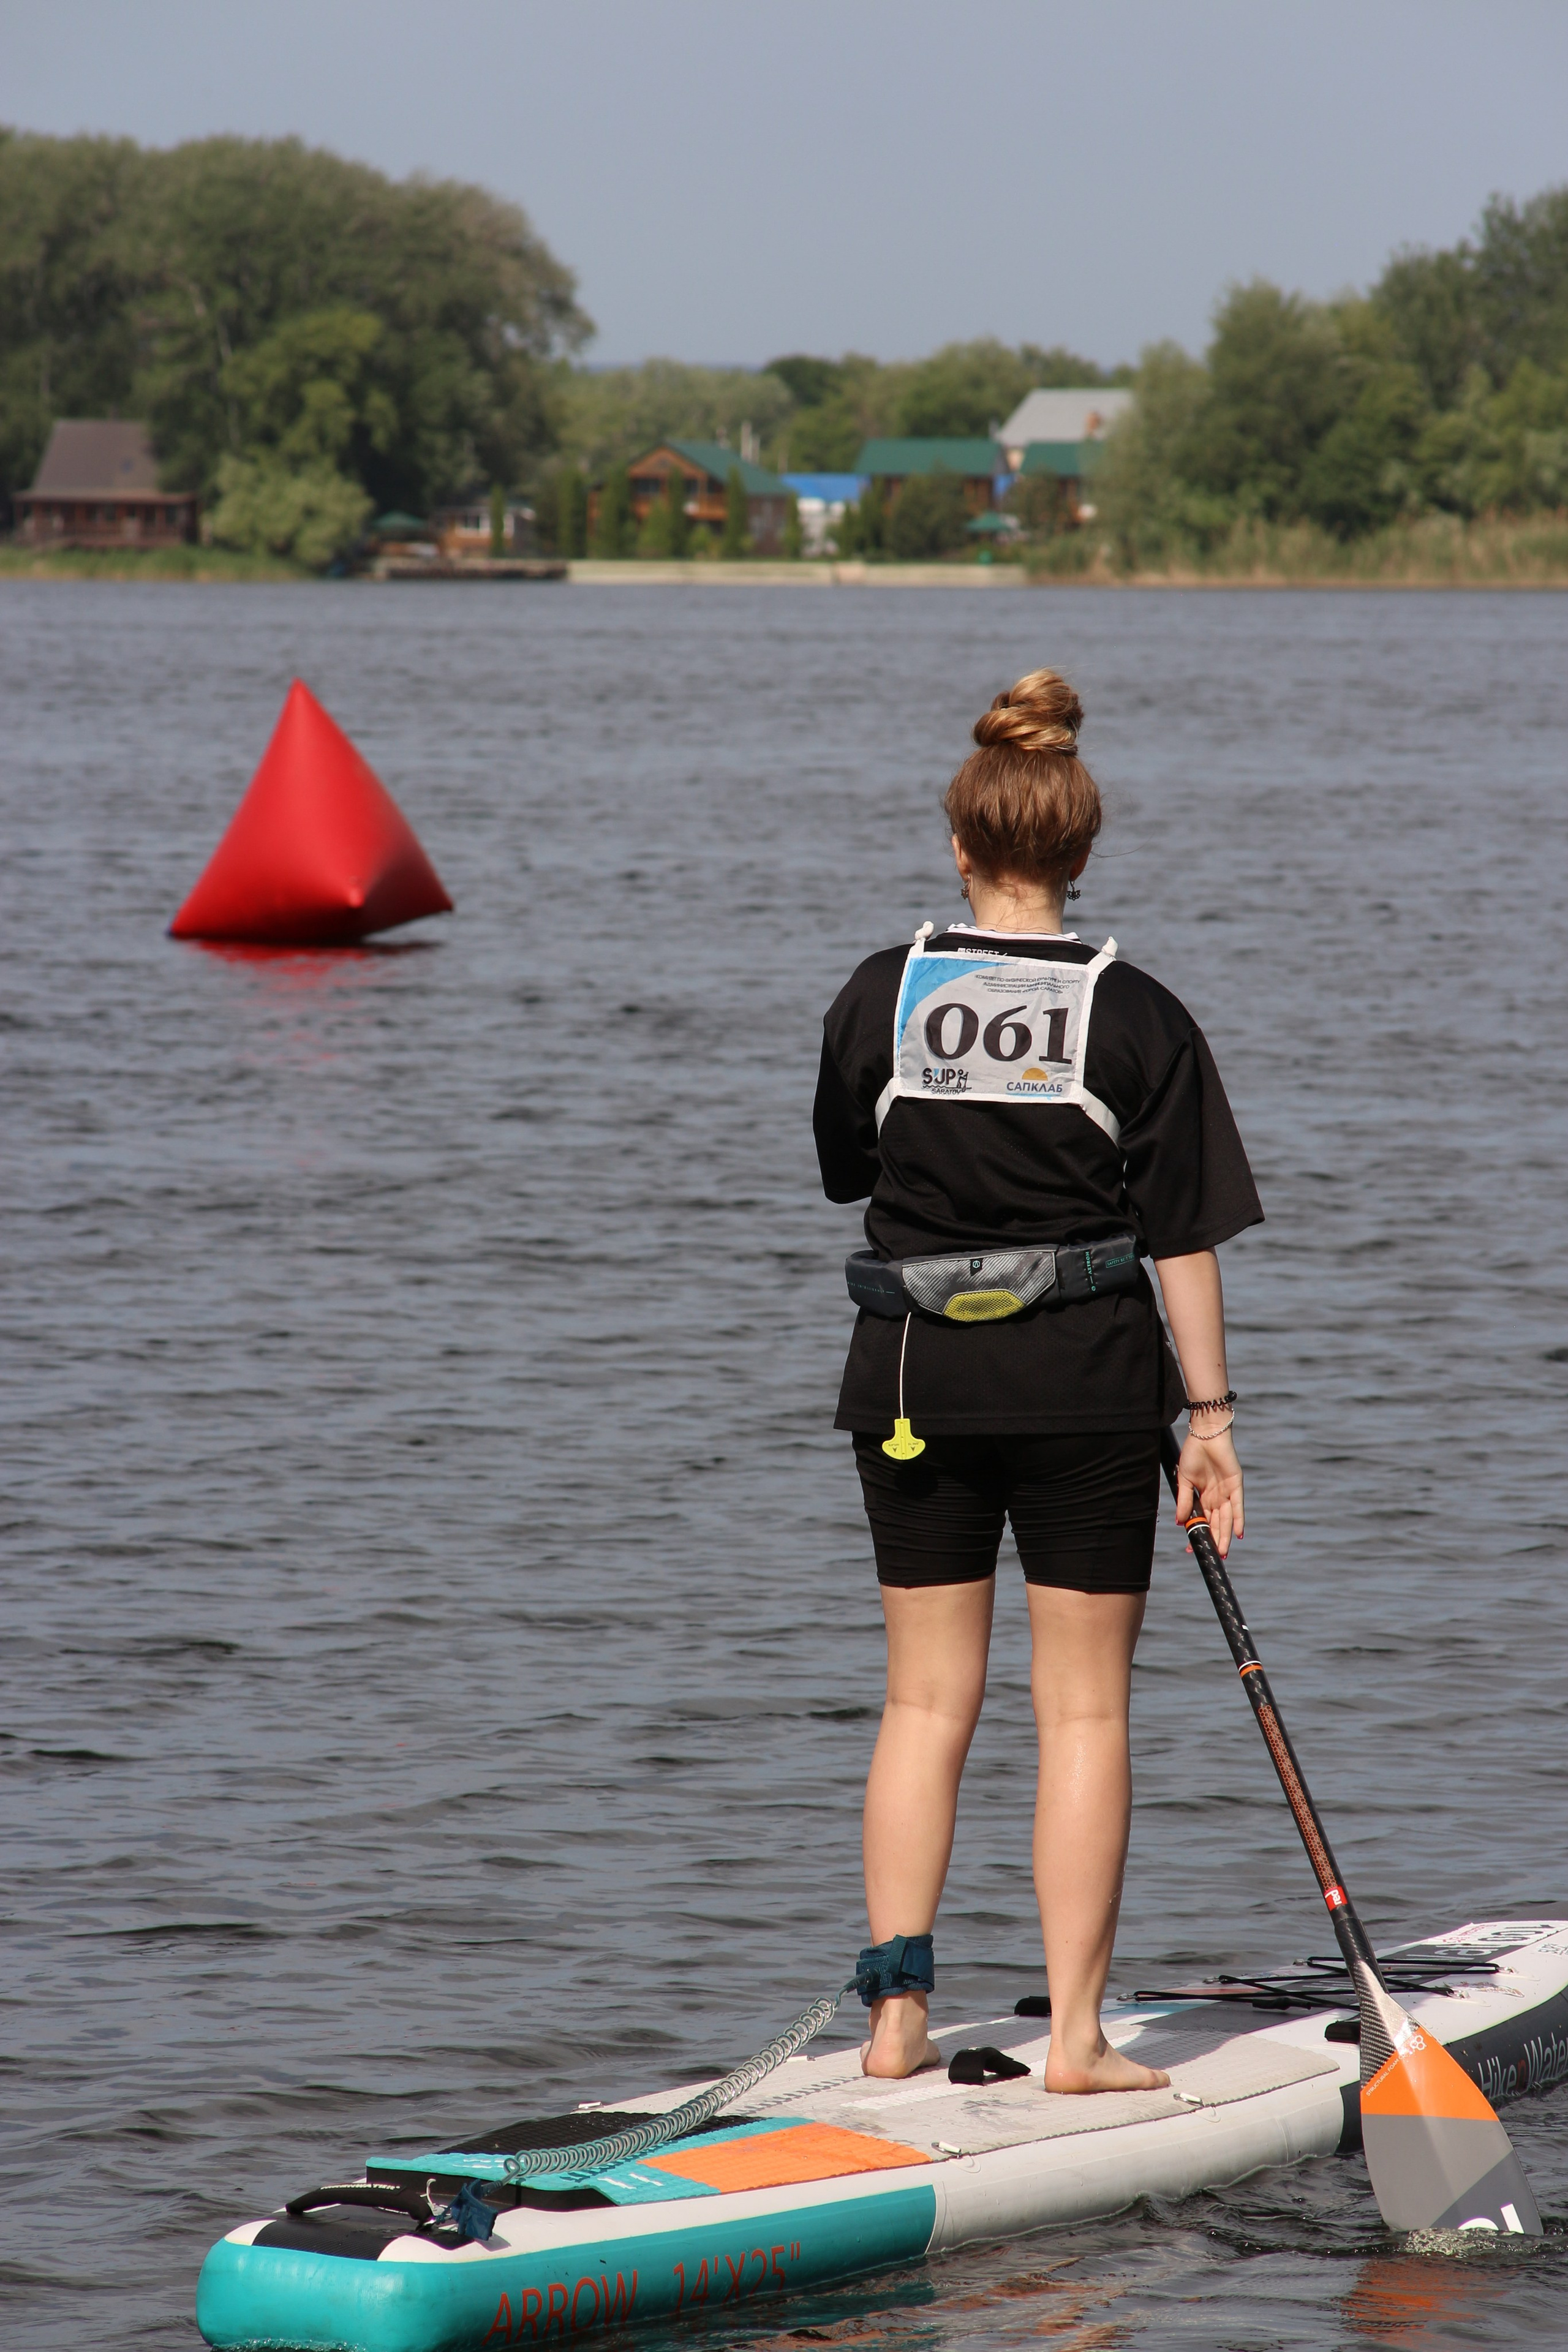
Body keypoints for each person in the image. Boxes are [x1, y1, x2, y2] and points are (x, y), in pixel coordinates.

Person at [813, 668, 1261, 2092]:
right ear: (1077, 850)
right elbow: (1178, 1236)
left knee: (921, 1705)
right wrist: (1210, 1422)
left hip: (907, 1386)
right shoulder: (1137, 1015)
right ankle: (1073, 2040)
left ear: (961, 843)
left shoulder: (878, 994)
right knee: (1080, 1713)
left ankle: (895, 2019)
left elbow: (846, 1175)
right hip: (1083, 1388)